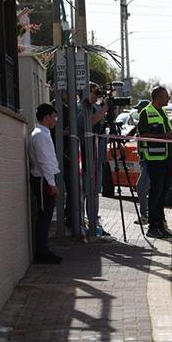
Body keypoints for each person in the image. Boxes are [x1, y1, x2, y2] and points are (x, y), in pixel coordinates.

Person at [137, 86, 172, 239]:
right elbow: (144, 135)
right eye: (166, 96)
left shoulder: (163, 112)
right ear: (158, 98)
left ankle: (160, 225)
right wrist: (165, 136)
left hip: (166, 158)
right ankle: (153, 227)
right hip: (154, 159)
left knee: (162, 194)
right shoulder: (146, 112)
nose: (169, 99)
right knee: (155, 193)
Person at [29, 104, 62, 264]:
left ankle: (44, 250)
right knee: (44, 216)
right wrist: (51, 183)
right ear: (47, 117)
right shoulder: (40, 135)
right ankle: (42, 252)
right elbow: (44, 161)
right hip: (43, 180)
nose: (56, 120)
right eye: (54, 117)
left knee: (47, 216)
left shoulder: (43, 133)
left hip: (45, 179)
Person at [77, 82, 110, 234]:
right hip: (85, 154)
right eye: (95, 93)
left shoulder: (96, 108)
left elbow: (102, 123)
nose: (97, 96)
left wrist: (108, 108)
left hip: (97, 155)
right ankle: (82, 222)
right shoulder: (80, 108)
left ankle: (94, 221)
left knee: (95, 190)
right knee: (84, 190)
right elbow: (89, 122)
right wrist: (104, 109)